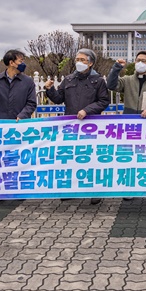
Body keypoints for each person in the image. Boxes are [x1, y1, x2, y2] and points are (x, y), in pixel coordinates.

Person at [45, 48, 110, 205]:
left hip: (92, 126)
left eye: (83, 60)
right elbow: (59, 98)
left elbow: (103, 101)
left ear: (91, 63)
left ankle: (96, 191)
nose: (79, 62)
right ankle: (71, 189)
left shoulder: (98, 81)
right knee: (72, 158)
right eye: (77, 59)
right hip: (72, 126)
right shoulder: (68, 79)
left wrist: (87, 110)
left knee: (92, 158)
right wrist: (49, 89)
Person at [107, 50, 146, 202]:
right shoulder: (127, 80)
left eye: (144, 61)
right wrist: (116, 68)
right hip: (130, 125)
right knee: (130, 157)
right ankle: (130, 188)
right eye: (138, 60)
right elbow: (111, 85)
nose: (140, 63)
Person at [0, 49, 37, 120]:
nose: (23, 64)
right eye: (21, 61)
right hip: (0, 124)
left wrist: (23, 115)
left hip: (21, 124)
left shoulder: (28, 81)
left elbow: (32, 103)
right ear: (11, 63)